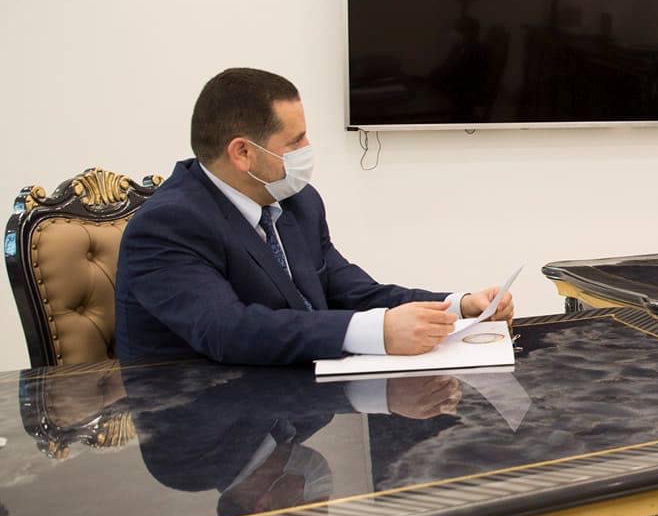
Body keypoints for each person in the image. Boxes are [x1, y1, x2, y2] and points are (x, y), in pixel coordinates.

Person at [115, 67, 514, 365]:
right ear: (242, 153)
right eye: (295, 141)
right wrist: (377, 332)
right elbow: (228, 330)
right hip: (200, 423)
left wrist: (457, 307)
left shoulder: (298, 203)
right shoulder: (168, 224)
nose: (308, 147)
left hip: (292, 404)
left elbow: (354, 291)